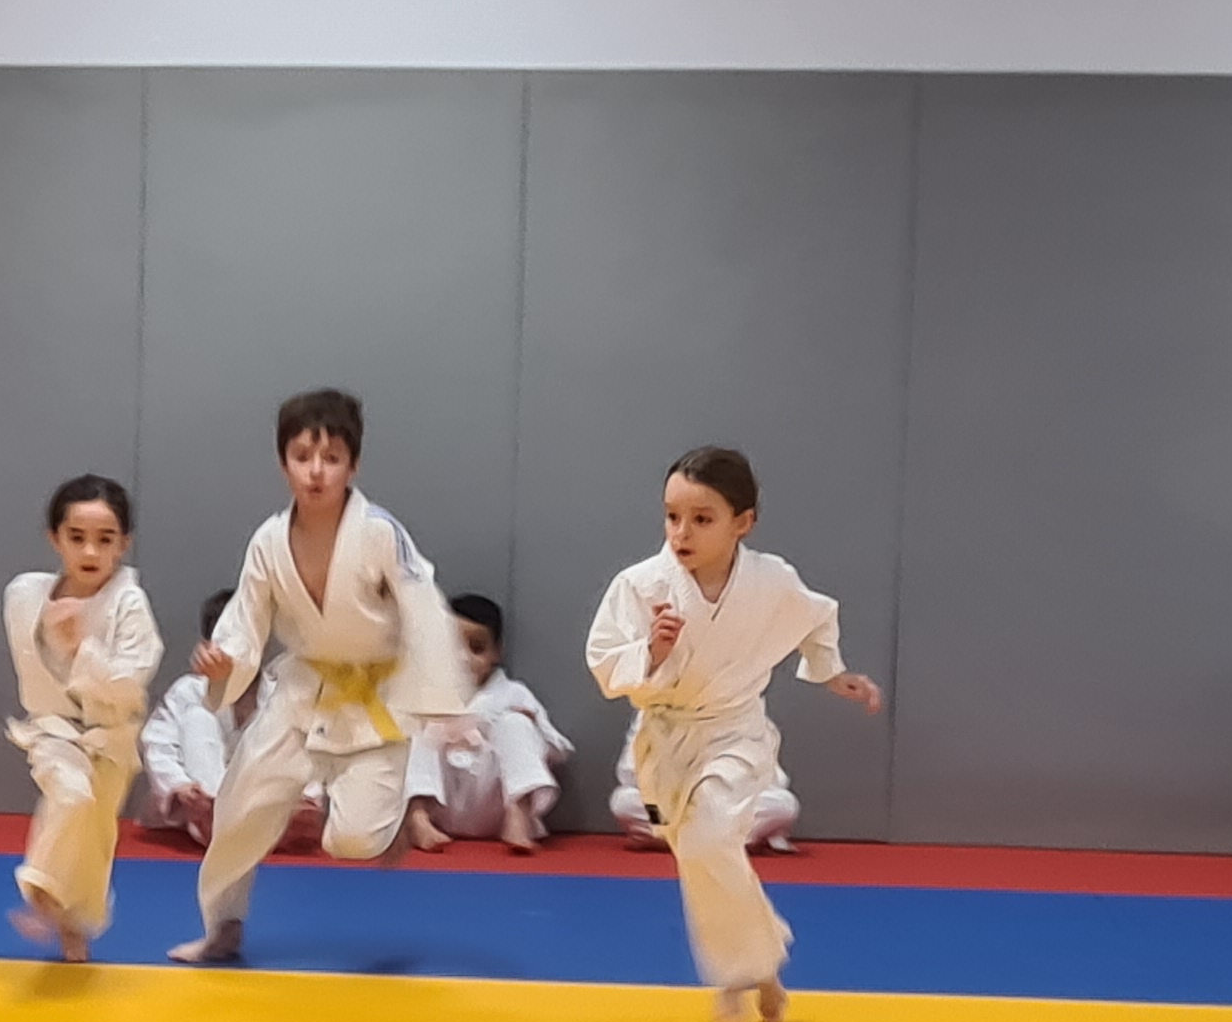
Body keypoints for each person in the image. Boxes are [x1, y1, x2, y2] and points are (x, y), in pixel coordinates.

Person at [172, 388, 469, 967]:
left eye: (331, 458)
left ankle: (386, 823)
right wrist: (225, 662)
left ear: (353, 465)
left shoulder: (379, 532)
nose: (316, 471)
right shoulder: (268, 541)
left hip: (377, 698)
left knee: (352, 841)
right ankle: (223, 924)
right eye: (302, 456)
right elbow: (245, 619)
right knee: (239, 805)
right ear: (283, 461)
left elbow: (425, 609)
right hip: (303, 691)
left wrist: (446, 702)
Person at [586, 445, 883, 1022]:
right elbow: (603, 661)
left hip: (734, 732)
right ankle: (763, 966)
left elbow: (816, 615)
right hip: (665, 739)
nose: (682, 532)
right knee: (703, 855)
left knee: (710, 840)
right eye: (672, 516)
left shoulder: (771, 580)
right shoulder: (641, 585)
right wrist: (652, 650)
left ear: (743, 522)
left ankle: (736, 973)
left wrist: (832, 672)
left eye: (702, 518)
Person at [3, 474, 165, 960]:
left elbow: (130, 682)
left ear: (124, 543)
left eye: (105, 539)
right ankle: (41, 891)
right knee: (71, 796)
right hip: (54, 729)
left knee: (96, 840)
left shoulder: (129, 605)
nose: (90, 551)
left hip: (111, 736)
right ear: (55, 538)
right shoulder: (25, 596)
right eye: (76, 537)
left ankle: (74, 924)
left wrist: (80, 648)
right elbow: (32, 668)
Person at [403, 594, 570, 855]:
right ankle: (417, 818)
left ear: (496, 652)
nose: (464, 659)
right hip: (441, 803)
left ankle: (518, 816)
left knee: (515, 723)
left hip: (495, 803)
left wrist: (532, 726)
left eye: (477, 648)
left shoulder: (513, 693)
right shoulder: (426, 693)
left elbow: (559, 750)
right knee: (419, 729)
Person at [136, 593, 236, 847]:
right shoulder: (189, 691)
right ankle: (213, 820)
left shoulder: (277, 692)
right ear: (207, 645)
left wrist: (304, 798)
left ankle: (252, 825)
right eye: (227, 639)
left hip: (259, 810)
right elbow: (159, 745)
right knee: (198, 717)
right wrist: (180, 786)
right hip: (197, 808)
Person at [610, 719, 796, 854]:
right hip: (669, 810)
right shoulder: (652, 712)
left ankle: (677, 840)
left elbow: (772, 780)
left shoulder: (743, 710)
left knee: (783, 804)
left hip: (723, 807)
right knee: (624, 801)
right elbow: (629, 772)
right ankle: (716, 843)